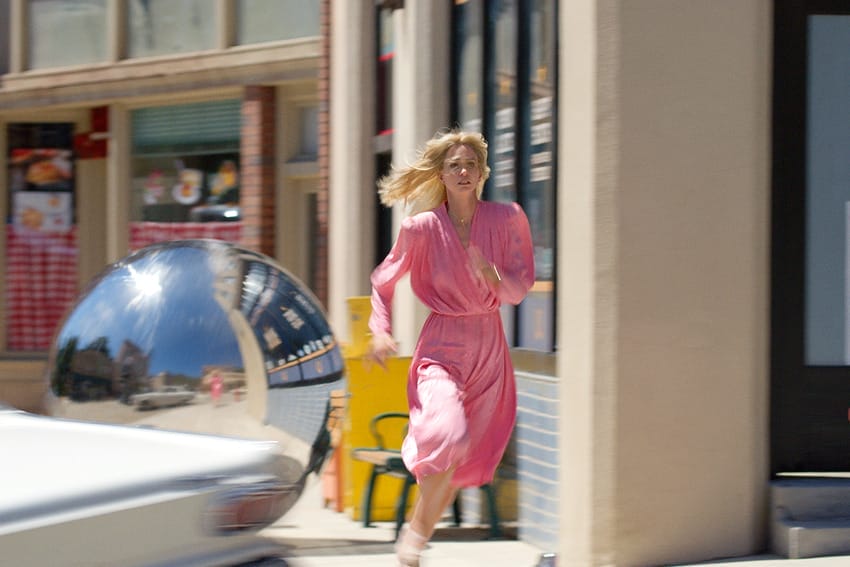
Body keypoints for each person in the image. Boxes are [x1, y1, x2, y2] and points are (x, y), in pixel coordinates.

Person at [367, 129, 535, 566]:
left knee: (454, 461)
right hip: (441, 346)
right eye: (454, 165)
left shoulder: (508, 218)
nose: (463, 171)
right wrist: (380, 330)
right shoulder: (421, 229)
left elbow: (519, 289)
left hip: (488, 350)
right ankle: (415, 538)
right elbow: (383, 282)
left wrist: (493, 277)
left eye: (470, 165)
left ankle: (414, 542)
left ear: (482, 172)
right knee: (449, 435)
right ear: (440, 173)